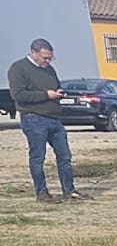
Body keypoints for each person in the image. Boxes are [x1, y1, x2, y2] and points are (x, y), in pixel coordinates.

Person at [6, 38, 91, 203]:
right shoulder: (18, 68)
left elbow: (55, 86)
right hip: (33, 119)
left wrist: (58, 93)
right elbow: (19, 96)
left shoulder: (49, 69)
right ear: (33, 52)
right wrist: (46, 95)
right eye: (44, 57)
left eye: (50, 58)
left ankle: (69, 190)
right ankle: (42, 193)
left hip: (54, 119)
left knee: (64, 156)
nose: (47, 61)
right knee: (38, 158)